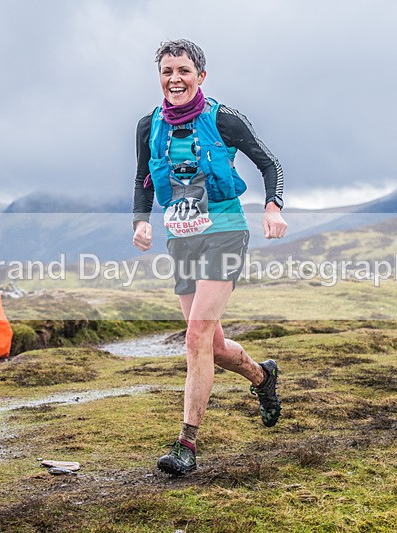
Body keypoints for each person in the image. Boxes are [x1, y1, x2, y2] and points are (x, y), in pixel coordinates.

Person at [132, 39, 288, 475]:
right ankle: (262, 377)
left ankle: (187, 445)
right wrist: (141, 221)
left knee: (195, 337)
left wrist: (272, 207)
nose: (175, 79)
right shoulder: (148, 126)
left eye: (183, 70)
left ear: (200, 76)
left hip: (224, 232)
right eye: (167, 71)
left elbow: (269, 163)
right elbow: (143, 179)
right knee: (213, 346)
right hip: (181, 238)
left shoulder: (223, 119)